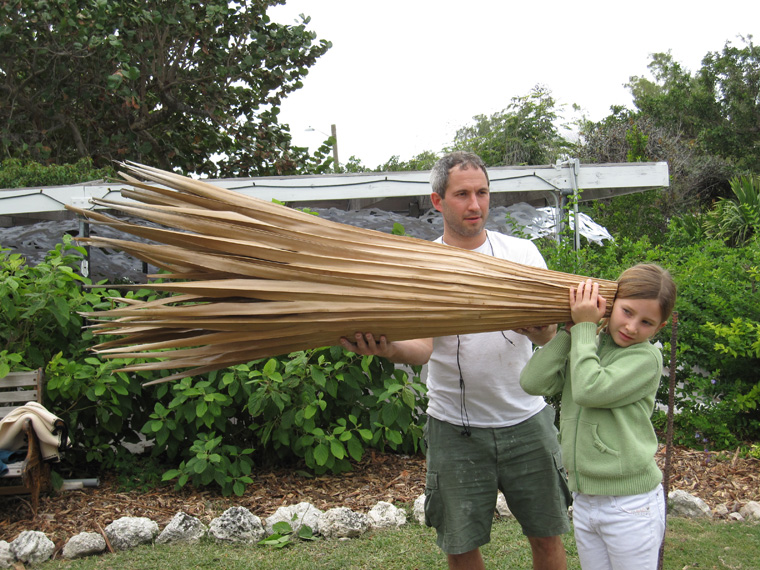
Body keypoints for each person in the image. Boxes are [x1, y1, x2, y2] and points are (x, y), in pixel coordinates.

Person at [340, 151, 571, 570]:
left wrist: (532, 325)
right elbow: (423, 347)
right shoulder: (423, 266)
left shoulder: (521, 255)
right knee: (460, 545)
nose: (475, 205)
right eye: (462, 194)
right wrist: (386, 348)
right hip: (454, 428)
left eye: (482, 193)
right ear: (437, 201)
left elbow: (548, 334)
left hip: (527, 422)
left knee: (547, 537)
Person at [519, 264, 677, 570]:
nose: (632, 327)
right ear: (609, 303)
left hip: (630, 505)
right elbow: (532, 382)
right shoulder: (587, 346)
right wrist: (569, 332)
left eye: (647, 322)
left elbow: (590, 389)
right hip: (586, 498)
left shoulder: (644, 358)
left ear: (660, 327)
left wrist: (583, 330)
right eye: (627, 312)